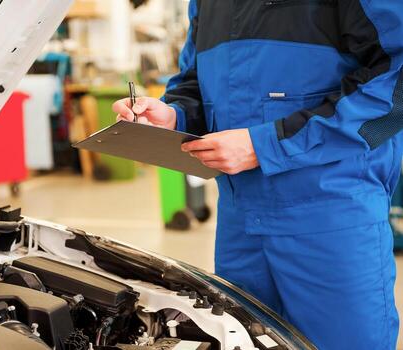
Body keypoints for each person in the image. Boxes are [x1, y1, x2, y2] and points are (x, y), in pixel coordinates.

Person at [113, 1, 402, 349]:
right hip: (240, 222)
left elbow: (396, 83)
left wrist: (264, 145)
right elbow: (196, 82)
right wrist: (174, 116)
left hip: (330, 217)